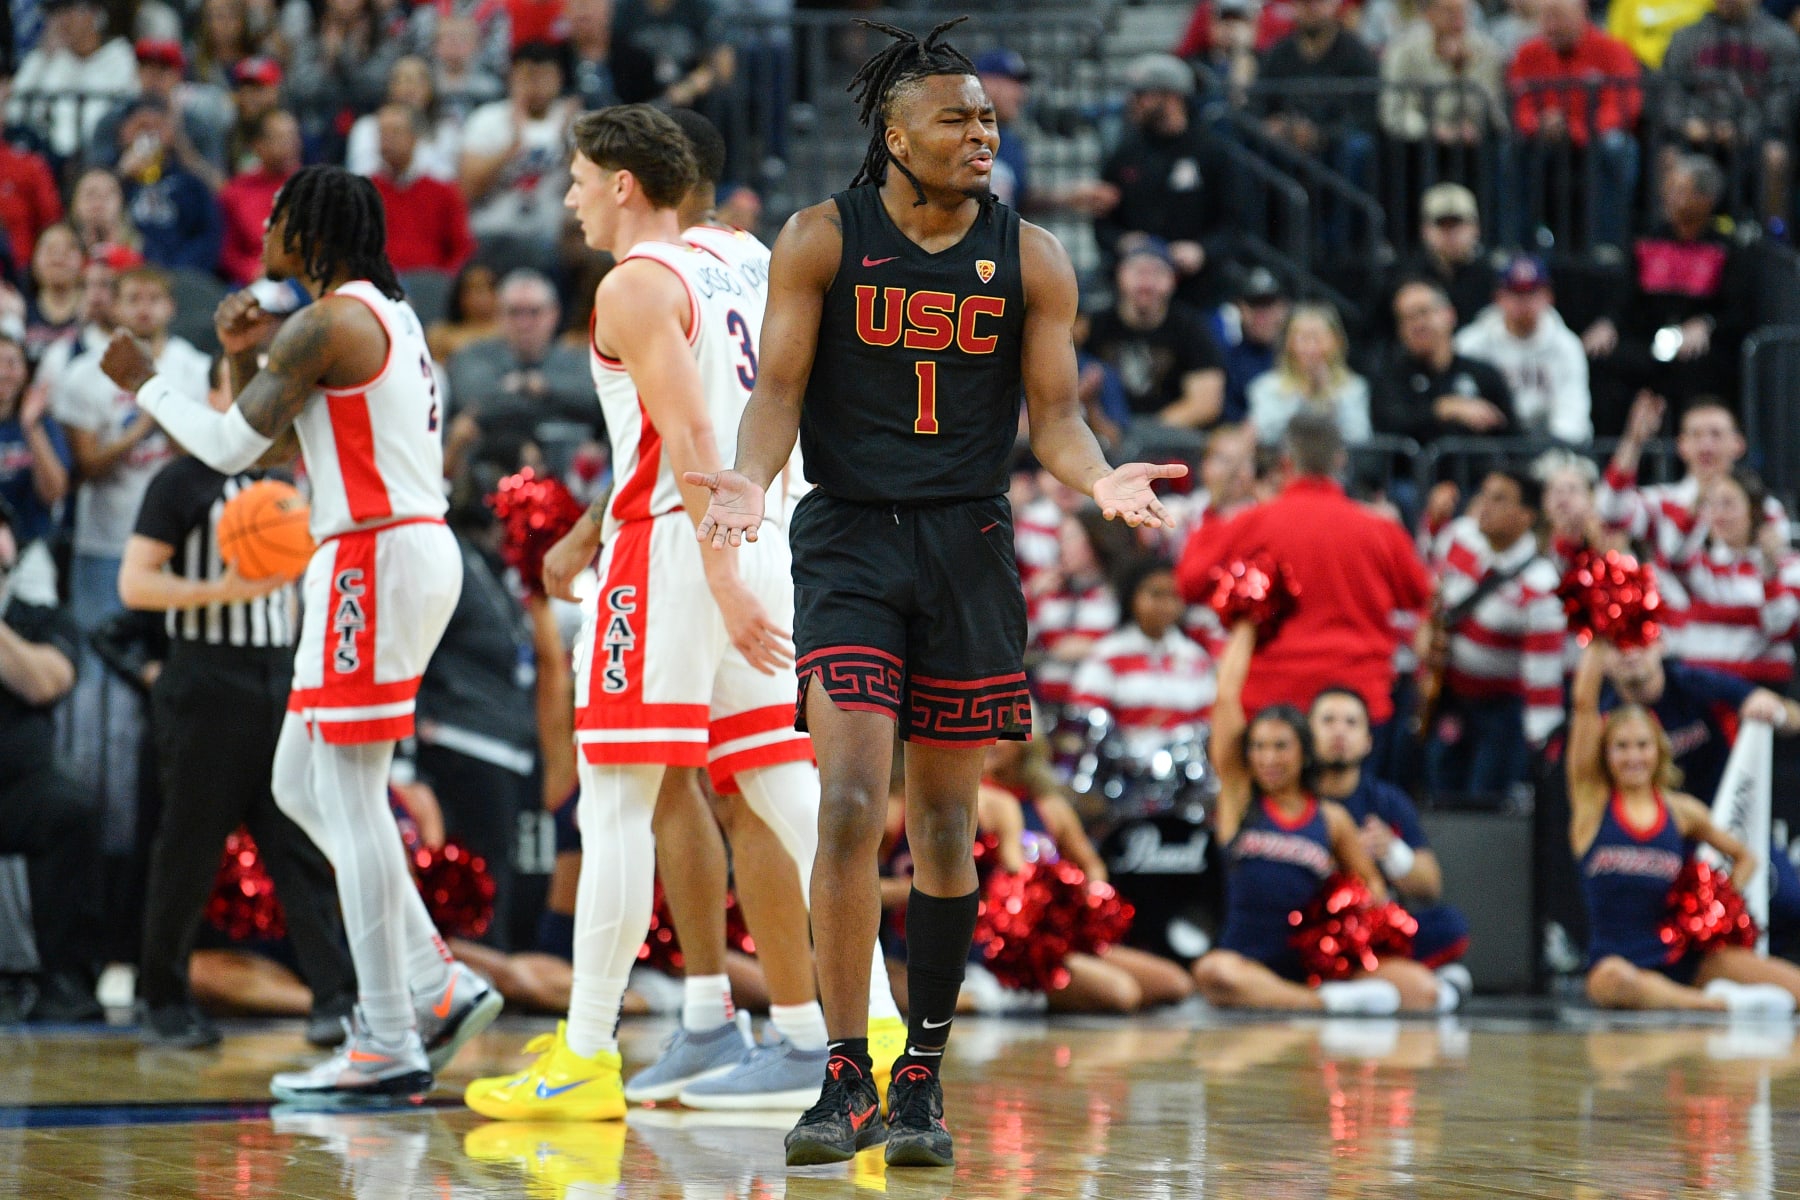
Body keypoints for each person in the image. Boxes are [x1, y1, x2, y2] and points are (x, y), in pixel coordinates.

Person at [686, 18, 1182, 1168]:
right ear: (894, 133)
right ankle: (844, 1071)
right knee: (853, 802)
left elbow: (1054, 417)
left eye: (988, 120)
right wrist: (751, 481)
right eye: (956, 118)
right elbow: (780, 395)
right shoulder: (821, 238)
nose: (981, 134)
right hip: (850, 540)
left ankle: (922, 1078)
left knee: (951, 824)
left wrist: (1099, 474)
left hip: (969, 542)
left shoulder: (1033, 254)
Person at [99, 164, 501, 1104]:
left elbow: (231, 452)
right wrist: (241, 354)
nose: (265, 226)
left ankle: (389, 1033)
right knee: (297, 782)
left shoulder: (331, 320)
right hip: (388, 552)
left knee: (352, 798)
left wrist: (146, 383)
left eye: (276, 213)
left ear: (307, 227)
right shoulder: (374, 318)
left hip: (371, 556)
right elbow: (281, 445)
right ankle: (436, 980)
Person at [458, 103, 824, 1124]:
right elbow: (695, 421)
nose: (568, 198)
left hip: (680, 545)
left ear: (623, 182)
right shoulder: (746, 257)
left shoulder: (633, 284)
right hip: (764, 527)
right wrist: (598, 526)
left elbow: (693, 431)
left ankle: (584, 1055)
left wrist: (708, 573)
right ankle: (856, 1030)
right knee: (772, 779)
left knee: (618, 797)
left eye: (578, 178)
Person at [118, 385, 356, 1049]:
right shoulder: (180, 480)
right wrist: (227, 589)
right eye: (243, 385)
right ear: (214, 395)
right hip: (205, 676)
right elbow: (134, 585)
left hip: (278, 674)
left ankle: (335, 999)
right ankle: (162, 1000)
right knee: (189, 847)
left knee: (297, 840)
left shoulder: (281, 479)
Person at [1192, 622, 1450, 1013]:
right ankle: (1319, 1004)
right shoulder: (1241, 801)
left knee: (1422, 991)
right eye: (1259, 747)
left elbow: (1374, 889)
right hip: (1246, 960)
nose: (1268, 758)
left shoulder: (1330, 819)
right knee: (1214, 972)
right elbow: (1226, 700)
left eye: (1281, 746)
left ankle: (1305, 997)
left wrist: (1342, 917)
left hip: (1311, 961)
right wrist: (1246, 626)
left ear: (1303, 752)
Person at [1568, 640, 1800, 1014]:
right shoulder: (1593, 808)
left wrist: (1714, 907)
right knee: (1616, 982)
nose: (1632, 757)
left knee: (1793, 986)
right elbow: (1583, 707)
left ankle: (1714, 998)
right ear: (1605, 755)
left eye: (1642, 745)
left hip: (1684, 957)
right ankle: (1720, 1006)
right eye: (1621, 747)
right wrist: (1599, 641)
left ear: (1658, 750)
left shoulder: (1681, 811)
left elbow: (1745, 858)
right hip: (1619, 962)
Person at [1178, 414, 1431, 730]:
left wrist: (1214, 511)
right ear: (1340, 459)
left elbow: (1189, 583)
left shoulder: (1251, 524)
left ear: (1285, 462)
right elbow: (1421, 596)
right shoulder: (1380, 529)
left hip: (1272, 702)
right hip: (1355, 705)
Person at [0, 496, 105, 1023]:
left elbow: (46, 683)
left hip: (18, 787)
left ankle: (65, 979)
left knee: (71, 809)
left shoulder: (40, 619)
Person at [1310, 686, 1473, 979]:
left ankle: (1369, 982)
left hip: (1372, 930)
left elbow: (1430, 885)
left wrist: (1393, 852)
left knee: (1449, 924)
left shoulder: (1388, 802)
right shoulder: (1295, 797)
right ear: (1307, 737)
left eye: (1351, 723)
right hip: (1309, 928)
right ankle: (1400, 985)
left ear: (1368, 741)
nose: (1339, 732)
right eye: (1328, 721)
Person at [1421, 467, 1564, 800]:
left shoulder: (1541, 587)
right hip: (1445, 695)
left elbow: (1542, 681)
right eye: (1484, 494)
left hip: (1499, 713)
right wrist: (1424, 630)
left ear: (1527, 516)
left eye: (1499, 499)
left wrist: (1541, 750)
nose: (1484, 505)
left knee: (1483, 803)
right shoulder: (1459, 535)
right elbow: (1426, 588)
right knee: (1437, 794)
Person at [1581, 155, 1748, 421]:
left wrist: (1706, 323)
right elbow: (1625, 296)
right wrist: (1608, 322)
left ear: (1706, 200)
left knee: (1704, 371)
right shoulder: (1647, 239)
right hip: (1645, 340)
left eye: (1680, 190)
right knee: (1603, 361)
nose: (1668, 197)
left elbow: (1736, 311)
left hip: (1696, 350)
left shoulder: (1725, 249)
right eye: (1668, 188)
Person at [1097, 53, 1240, 307]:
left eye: (1142, 95)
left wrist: (1203, 251)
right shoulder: (1124, 153)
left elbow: (1236, 223)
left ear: (1172, 97)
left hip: (1199, 291)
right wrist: (1122, 240)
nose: (1133, 102)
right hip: (1138, 293)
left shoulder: (1212, 151)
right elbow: (1102, 221)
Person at [1507, 0, 1642, 250]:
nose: (1550, 26)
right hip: (1545, 141)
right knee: (1509, 151)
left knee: (1618, 146)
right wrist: (1538, 124)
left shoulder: (1613, 50)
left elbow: (1625, 106)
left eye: (1557, 17)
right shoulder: (1528, 53)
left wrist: (1578, 130)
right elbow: (1519, 105)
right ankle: (1517, 245)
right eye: (1545, 18)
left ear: (1583, 13)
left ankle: (1607, 244)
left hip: (1593, 140)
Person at [1599, 394, 1785, 566]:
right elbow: (1610, 512)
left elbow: (1776, 567)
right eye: (1696, 435)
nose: (1706, 446)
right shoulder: (1661, 501)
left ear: (1738, 444)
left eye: (1716, 434)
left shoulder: (1766, 509)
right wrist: (1633, 441)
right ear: (1682, 445)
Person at [1661, 0, 1799, 227]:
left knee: (1775, 157)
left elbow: (1782, 102)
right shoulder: (1686, 37)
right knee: (1668, 155)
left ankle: (1775, 236)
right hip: (1697, 137)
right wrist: (1688, 123)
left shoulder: (1781, 39)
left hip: (1754, 139)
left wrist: (1744, 129)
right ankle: (1668, 238)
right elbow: (1671, 92)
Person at [1659, 468, 1800, 686]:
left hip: (1760, 688)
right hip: (1699, 685)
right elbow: (1674, 556)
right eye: (1712, 504)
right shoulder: (1700, 564)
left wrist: (1771, 573)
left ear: (1753, 511)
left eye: (1728, 504)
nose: (1718, 514)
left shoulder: (1789, 566)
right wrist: (1693, 510)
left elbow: (1780, 628)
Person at [1070, 556, 1216, 757]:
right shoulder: (1108, 655)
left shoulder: (1196, 658)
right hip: (1122, 774)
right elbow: (1085, 720)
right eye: (1156, 594)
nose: (1166, 605)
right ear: (1132, 596)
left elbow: (1208, 724)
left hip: (1182, 774)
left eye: (1174, 595)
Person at [1082, 238, 1227, 437]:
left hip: (1169, 437)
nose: (1147, 281)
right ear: (1119, 274)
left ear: (1173, 280)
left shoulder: (1191, 327)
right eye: (1138, 271)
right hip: (1101, 430)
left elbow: (1206, 402)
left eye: (1157, 272)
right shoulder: (1093, 325)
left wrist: (1144, 433)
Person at [1453, 255, 1590, 444]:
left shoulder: (1567, 346)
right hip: (1491, 445)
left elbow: (1572, 414)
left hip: (1551, 445)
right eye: (1515, 293)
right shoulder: (1471, 343)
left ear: (1548, 296)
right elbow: (1460, 398)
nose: (1524, 302)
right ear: (1498, 297)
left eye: (1532, 293)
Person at [1373, 279, 1515, 442]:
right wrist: (1444, 408)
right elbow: (1389, 426)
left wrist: (1502, 468)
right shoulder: (1390, 379)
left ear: (1450, 314)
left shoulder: (1484, 374)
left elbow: (1513, 437)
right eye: (1407, 318)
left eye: (1423, 312)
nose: (1418, 324)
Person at [368, 105, 476, 276]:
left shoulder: (443, 191)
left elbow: (462, 247)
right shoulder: (365, 192)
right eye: (382, 133)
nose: (387, 139)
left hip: (432, 287)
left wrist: (444, 283)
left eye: (395, 132)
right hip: (378, 283)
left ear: (414, 137)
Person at [1247, 300, 1371, 446]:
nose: (1311, 347)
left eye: (1318, 337)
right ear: (1288, 343)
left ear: (1337, 342)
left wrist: (1328, 398)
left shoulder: (1353, 388)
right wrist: (1304, 398)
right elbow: (1264, 435)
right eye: (1302, 338)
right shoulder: (1267, 387)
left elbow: (1359, 438)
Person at [218, 110, 302, 286]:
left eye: (292, 137)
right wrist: (251, 270)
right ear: (258, 145)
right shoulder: (235, 192)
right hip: (255, 279)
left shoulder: (314, 189)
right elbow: (226, 251)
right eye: (279, 138)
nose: (289, 145)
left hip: (303, 278)